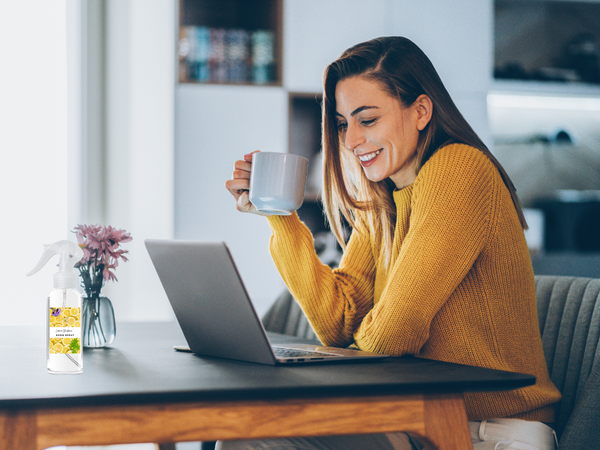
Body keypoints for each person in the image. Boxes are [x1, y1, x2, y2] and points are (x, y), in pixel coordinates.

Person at [223, 36, 561, 450]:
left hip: (492, 431)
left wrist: (361, 340)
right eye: (344, 123)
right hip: (416, 418)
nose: (349, 141)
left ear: (420, 111)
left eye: (367, 120)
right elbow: (337, 324)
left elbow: (391, 337)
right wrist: (280, 216)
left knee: (254, 440)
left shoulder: (459, 169)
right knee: (246, 438)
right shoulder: (381, 200)